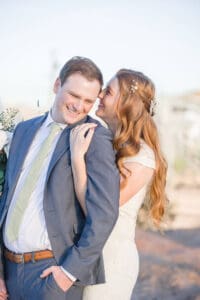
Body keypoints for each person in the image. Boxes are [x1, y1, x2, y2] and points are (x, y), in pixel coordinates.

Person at [0, 56, 120, 300]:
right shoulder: (24, 130)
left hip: (52, 274)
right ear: (57, 85)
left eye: (88, 100)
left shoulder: (94, 137)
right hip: (9, 273)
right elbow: (6, 199)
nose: (79, 106)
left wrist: (67, 273)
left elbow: (104, 214)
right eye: (74, 95)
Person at [70, 69, 168, 299]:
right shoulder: (106, 143)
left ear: (126, 104)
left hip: (111, 261)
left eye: (109, 91)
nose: (99, 95)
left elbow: (99, 211)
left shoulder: (141, 158)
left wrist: (77, 161)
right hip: (85, 255)